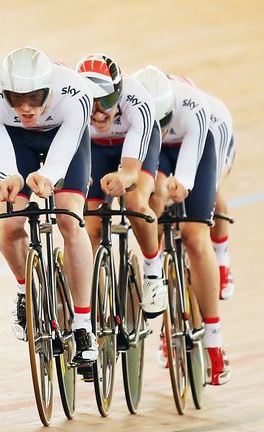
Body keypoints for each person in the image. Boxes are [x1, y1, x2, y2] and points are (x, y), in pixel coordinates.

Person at [0, 47, 97, 364]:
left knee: (70, 219)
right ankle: (24, 290)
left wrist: (49, 176)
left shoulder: (76, 92)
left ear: (50, 90)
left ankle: (83, 326)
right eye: (16, 99)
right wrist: (7, 178)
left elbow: (64, 151)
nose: (26, 108)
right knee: (10, 221)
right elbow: (3, 158)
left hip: (63, 138)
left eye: (35, 98)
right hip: (18, 142)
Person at [133, 65, 231, 385]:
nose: (159, 128)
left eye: (162, 123)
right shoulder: (135, 108)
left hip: (197, 150)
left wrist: (183, 183)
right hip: (155, 154)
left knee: (194, 237)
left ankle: (214, 342)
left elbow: (189, 170)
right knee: (155, 213)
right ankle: (166, 318)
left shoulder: (194, 107)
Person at [75, 54, 167, 317]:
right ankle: (89, 305)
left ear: (118, 92)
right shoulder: (74, 104)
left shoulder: (138, 100)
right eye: (91, 103)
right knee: (90, 224)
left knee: (136, 203)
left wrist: (123, 180)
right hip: (97, 149)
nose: (98, 111)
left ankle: (153, 274)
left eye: (106, 101)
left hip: (138, 144)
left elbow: (130, 173)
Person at [169, 74, 238, 300]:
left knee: (212, 190)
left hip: (217, 143)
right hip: (177, 142)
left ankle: (222, 260)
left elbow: (211, 173)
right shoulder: (170, 114)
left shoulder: (214, 115)